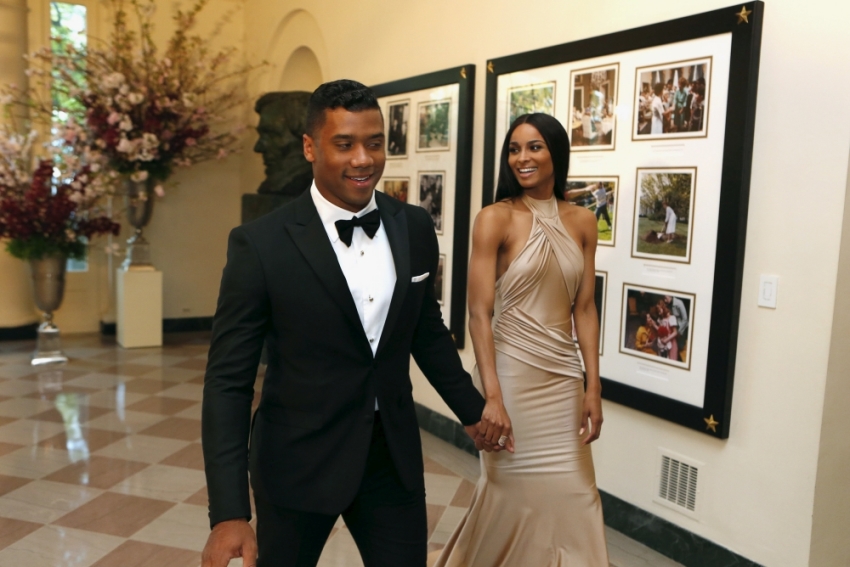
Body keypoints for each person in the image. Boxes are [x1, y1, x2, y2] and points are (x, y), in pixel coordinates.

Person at [201, 80, 494, 567]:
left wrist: (473, 412)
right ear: (310, 147)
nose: (363, 159)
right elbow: (227, 382)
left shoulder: (414, 226)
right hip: (296, 461)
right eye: (345, 144)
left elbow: (425, 332)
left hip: (391, 459)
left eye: (374, 143)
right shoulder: (261, 245)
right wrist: (229, 512)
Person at [434, 113, 608, 566]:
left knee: (577, 494)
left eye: (534, 147)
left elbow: (584, 309)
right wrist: (490, 395)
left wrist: (593, 385)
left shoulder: (584, 221)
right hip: (510, 379)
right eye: (514, 149)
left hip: (564, 381)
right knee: (511, 497)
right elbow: (478, 312)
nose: (522, 158)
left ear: (556, 153)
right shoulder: (495, 219)